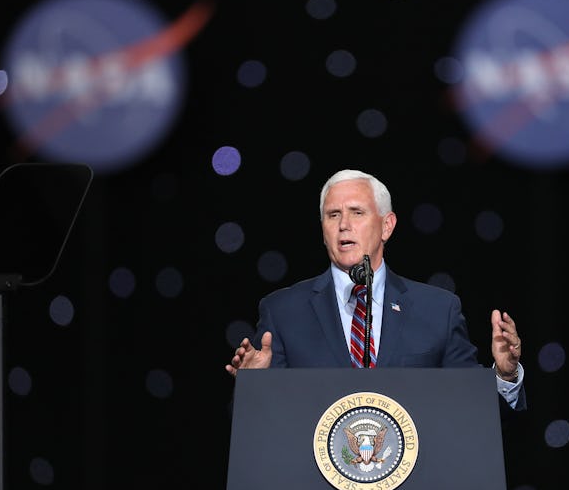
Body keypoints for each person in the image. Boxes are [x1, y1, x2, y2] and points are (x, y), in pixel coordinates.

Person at [225, 169, 526, 411]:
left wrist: (505, 375)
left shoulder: (438, 310)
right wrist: (253, 388)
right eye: (333, 215)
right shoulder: (282, 311)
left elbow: (471, 411)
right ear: (323, 229)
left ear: (387, 226)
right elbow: (260, 433)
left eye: (357, 212)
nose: (344, 224)